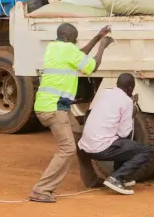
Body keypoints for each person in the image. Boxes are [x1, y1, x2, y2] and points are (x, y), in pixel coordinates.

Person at [29, 23, 113, 203]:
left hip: (53, 105)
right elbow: (92, 66)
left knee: (79, 139)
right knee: (67, 149)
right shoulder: (68, 50)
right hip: (54, 108)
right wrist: (102, 46)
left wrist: (98, 37)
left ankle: (91, 180)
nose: (76, 41)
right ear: (68, 37)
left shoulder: (55, 47)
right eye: (75, 37)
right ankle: (41, 190)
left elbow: (79, 54)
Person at [78, 73, 153, 195]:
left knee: (122, 143)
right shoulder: (126, 101)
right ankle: (116, 177)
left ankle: (120, 177)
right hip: (99, 149)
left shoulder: (104, 93)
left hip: (84, 147)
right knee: (145, 150)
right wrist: (132, 107)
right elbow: (124, 133)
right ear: (130, 88)